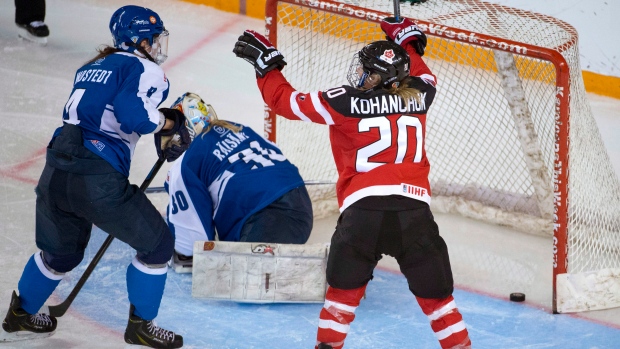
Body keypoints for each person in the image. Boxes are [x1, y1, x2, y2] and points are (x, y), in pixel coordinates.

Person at [234, 16, 472, 349]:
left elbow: (283, 102)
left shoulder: (342, 101)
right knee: (440, 305)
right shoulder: (421, 92)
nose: (360, 75)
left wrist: (266, 68)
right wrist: (406, 42)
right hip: (414, 214)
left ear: (378, 77)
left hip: (363, 213)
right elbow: (421, 71)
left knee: (340, 302)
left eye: (368, 71)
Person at [1, 5, 189, 348]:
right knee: (158, 244)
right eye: (153, 38)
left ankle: (20, 314)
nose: (157, 45)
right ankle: (141, 326)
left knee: (61, 255)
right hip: (96, 178)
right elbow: (136, 117)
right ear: (138, 40)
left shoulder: (90, 67)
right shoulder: (143, 67)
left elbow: (104, 109)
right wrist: (170, 123)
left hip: (56, 169)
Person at [164, 92, 313, 273]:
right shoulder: (239, 128)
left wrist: (182, 254)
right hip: (302, 208)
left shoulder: (188, 160)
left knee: (242, 277)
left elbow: (192, 245)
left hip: (265, 218)